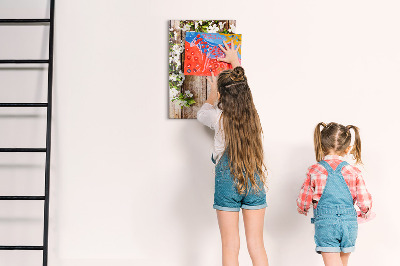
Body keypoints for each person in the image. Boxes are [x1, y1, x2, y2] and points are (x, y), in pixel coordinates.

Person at [197, 40, 269, 266]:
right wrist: (235, 62)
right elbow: (242, 88)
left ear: (223, 95)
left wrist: (212, 95)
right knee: (256, 244)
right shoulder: (252, 116)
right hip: (254, 178)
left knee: (230, 245)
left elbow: (202, 113)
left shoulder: (218, 118)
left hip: (228, 181)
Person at [297, 122, 373, 266]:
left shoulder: (315, 170)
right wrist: (365, 212)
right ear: (348, 149)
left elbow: (304, 198)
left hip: (326, 224)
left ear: (321, 145)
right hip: (349, 224)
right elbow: (364, 200)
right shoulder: (353, 172)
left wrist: (303, 208)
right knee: (343, 262)